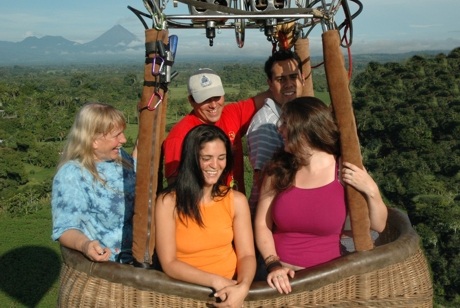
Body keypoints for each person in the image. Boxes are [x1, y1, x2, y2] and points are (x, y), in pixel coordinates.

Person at [254, 97, 388, 294]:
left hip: (326, 279)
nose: (279, 129)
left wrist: (372, 190)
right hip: (279, 278)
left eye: (285, 124)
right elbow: (262, 225)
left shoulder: (343, 168)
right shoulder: (279, 170)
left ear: (304, 131)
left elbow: (378, 225)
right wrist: (273, 265)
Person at [155, 125, 256, 308]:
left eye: (221, 158)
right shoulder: (168, 202)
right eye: (206, 158)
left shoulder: (235, 200)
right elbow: (169, 263)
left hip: (231, 291)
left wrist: (243, 286)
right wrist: (216, 281)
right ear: (192, 159)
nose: (215, 166)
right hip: (185, 293)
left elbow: (247, 255)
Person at [51, 102, 136, 263]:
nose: (123, 140)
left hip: (140, 260)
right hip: (108, 268)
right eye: (116, 135)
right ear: (94, 140)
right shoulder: (73, 174)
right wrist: (85, 245)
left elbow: (142, 171)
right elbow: (65, 228)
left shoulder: (121, 158)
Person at [162, 68, 270, 194]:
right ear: (191, 100)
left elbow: (273, 94)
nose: (213, 105)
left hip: (236, 208)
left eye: (217, 97)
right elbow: (176, 190)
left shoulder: (232, 114)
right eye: (205, 99)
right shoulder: (179, 136)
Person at [246, 49, 304, 218]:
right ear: (270, 84)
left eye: (293, 77)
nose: (289, 84)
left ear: (303, 79)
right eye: (280, 79)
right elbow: (265, 184)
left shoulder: (292, 117)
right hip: (271, 221)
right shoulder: (267, 125)